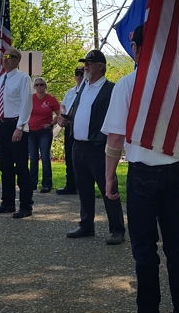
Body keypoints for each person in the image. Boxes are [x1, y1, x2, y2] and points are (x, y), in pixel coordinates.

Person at [103, 25, 179, 313]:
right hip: (176, 171)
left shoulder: (129, 85)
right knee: (176, 246)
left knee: (145, 249)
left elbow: (115, 137)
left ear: (139, 49)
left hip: (143, 173)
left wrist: (109, 175)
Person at [66, 50, 124, 245]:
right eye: (85, 63)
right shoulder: (83, 87)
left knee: (109, 188)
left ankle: (117, 228)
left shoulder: (110, 89)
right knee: (84, 188)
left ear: (101, 66)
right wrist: (67, 120)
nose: (86, 66)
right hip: (79, 146)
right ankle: (86, 224)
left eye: (90, 63)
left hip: (99, 147)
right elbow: (80, 113)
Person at [0, 48, 34, 218]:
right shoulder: (1, 79)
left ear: (17, 60)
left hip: (16, 124)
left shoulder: (23, 78)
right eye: (3, 57)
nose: (4, 60)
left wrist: (20, 127)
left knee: (21, 167)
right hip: (2, 125)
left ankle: (26, 205)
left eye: (9, 57)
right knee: (5, 167)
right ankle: (7, 203)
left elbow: (26, 103)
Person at [55, 67, 85, 195]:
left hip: (80, 127)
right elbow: (63, 106)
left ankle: (82, 185)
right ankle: (70, 184)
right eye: (77, 74)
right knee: (69, 156)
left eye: (81, 74)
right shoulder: (70, 91)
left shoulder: (87, 91)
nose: (79, 76)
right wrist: (63, 115)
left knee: (81, 158)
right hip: (69, 126)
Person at [28, 76, 59, 193]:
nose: (39, 87)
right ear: (34, 87)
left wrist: (51, 124)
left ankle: (46, 184)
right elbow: (24, 112)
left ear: (45, 86)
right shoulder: (30, 99)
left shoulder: (51, 99)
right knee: (33, 157)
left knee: (45, 157)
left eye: (41, 84)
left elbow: (59, 114)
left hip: (45, 132)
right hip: (31, 131)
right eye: (37, 85)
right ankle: (32, 183)